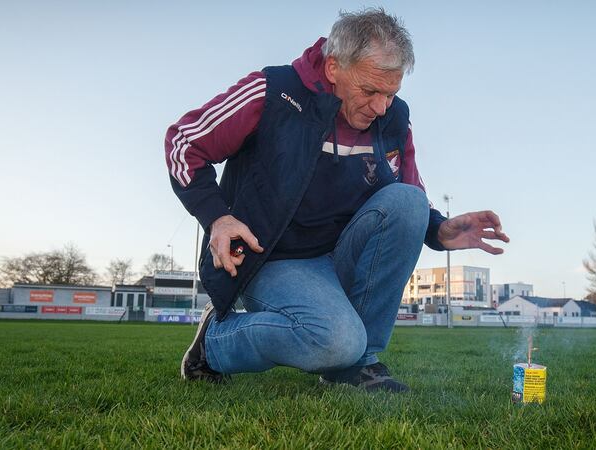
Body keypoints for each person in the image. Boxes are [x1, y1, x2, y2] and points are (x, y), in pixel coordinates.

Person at [166, 8, 509, 392]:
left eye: (391, 93)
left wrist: (439, 229)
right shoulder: (274, 92)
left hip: (339, 255)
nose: (381, 107)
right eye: (370, 91)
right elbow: (184, 142)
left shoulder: (394, 118)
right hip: (270, 258)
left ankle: (358, 365)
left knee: (408, 202)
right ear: (333, 68)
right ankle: (213, 343)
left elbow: (409, 189)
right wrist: (218, 218)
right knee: (335, 341)